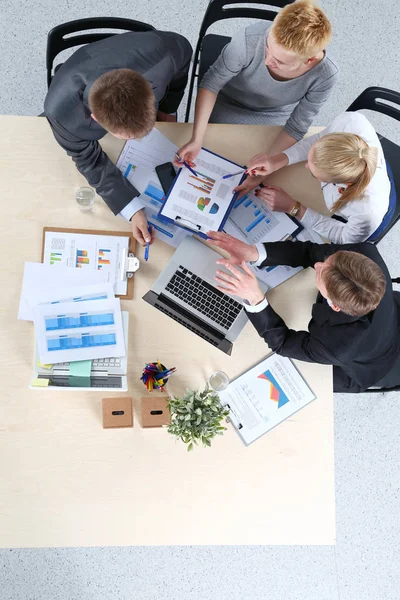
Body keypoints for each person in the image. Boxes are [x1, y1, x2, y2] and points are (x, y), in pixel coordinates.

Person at [44, 30, 192, 246]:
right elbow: (89, 160)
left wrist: (168, 111)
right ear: (95, 119)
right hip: (70, 83)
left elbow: (183, 63)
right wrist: (132, 209)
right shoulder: (61, 114)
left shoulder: (167, 53)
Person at [207, 231, 400, 393]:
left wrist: (256, 299)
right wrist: (254, 253)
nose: (317, 265)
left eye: (320, 273)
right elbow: (312, 252)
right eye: (327, 262)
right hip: (393, 316)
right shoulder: (366, 254)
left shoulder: (335, 347)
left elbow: (283, 343)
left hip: (377, 367)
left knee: (305, 378)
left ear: (334, 305)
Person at [175, 0, 338, 168]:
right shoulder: (249, 38)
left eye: (279, 61)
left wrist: (269, 162)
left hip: (275, 118)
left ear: (309, 60)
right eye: (267, 49)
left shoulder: (326, 75)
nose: (266, 61)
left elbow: (297, 126)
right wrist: (196, 139)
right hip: (226, 103)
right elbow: (211, 84)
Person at [240, 111, 392, 243]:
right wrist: (276, 161)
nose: (307, 165)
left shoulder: (367, 212)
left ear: (341, 183)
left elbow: (344, 237)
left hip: (360, 227)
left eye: (313, 173)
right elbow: (319, 137)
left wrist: (294, 208)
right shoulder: (350, 121)